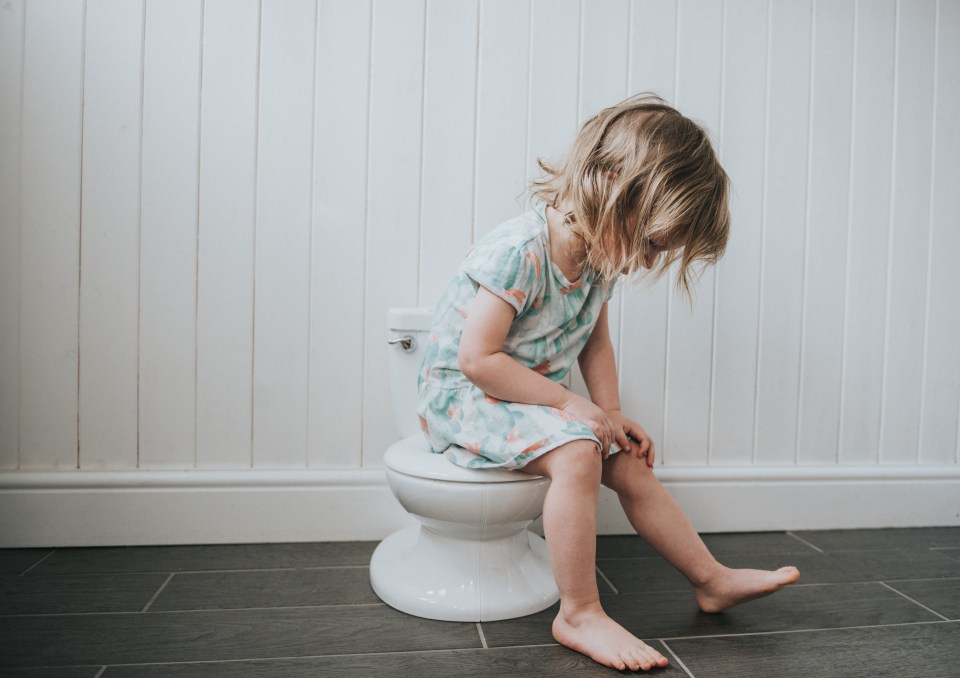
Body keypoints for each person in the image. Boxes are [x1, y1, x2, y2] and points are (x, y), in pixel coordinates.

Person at [416, 94, 800, 673]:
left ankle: (710, 578)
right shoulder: (519, 251)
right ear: (610, 188)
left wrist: (610, 415)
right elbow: (477, 360)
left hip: (522, 399)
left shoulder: (597, 258)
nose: (647, 262)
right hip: (464, 398)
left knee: (620, 456)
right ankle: (579, 612)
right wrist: (573, 407)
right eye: (650, 243)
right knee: (577, 453)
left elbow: (595, 342)